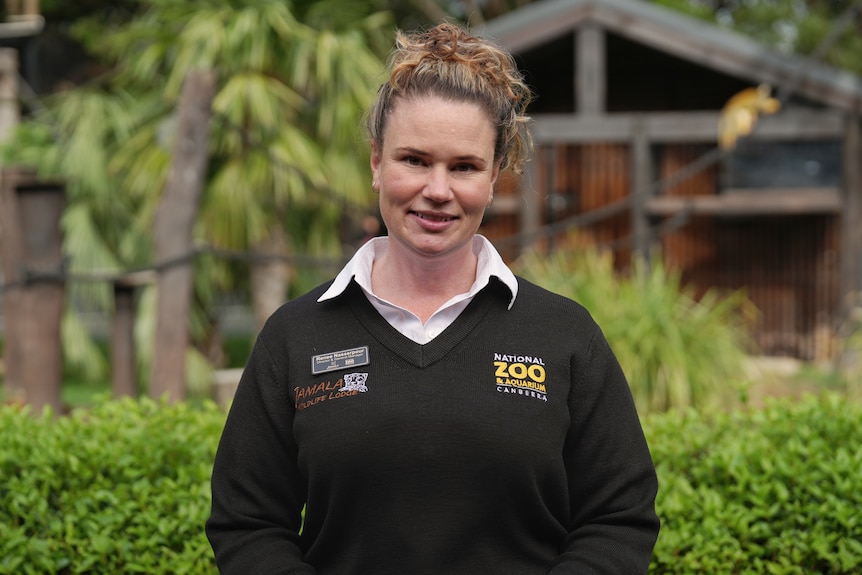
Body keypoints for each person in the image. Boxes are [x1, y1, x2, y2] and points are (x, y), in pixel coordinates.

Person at [206, 22, 659, 574]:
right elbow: (247, 524)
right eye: (414, 160)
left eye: (464, 167)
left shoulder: (564, 336)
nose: (438, 190)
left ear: (495, 176)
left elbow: (620, 518)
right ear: (377, 162)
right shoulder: (295, 336)